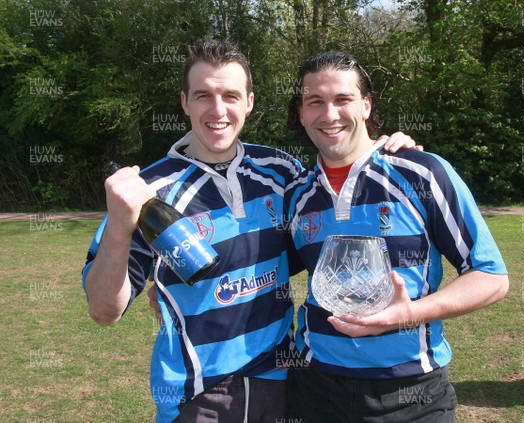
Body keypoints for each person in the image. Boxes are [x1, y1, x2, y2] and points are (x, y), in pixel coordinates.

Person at [82, 38, 418, 423]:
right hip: (199, 397)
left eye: (230, 95)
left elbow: (332, 215)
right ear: (184, 102)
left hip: (284, 383)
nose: (218, 110)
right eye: (203, 95)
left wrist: (386, 152)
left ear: (250, 102)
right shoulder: (148, 192)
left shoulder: (281, 170)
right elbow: (104, 311)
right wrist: (119, 230)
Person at [284, 51, 509, 422]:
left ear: (366, 105)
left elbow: (491, 276)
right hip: (315, 391)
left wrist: (409, 314)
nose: (329, 115)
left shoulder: (422, 173)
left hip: (412, 396)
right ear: (302, 112)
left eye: (343, 100)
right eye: (315, 102)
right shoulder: (296, 196)